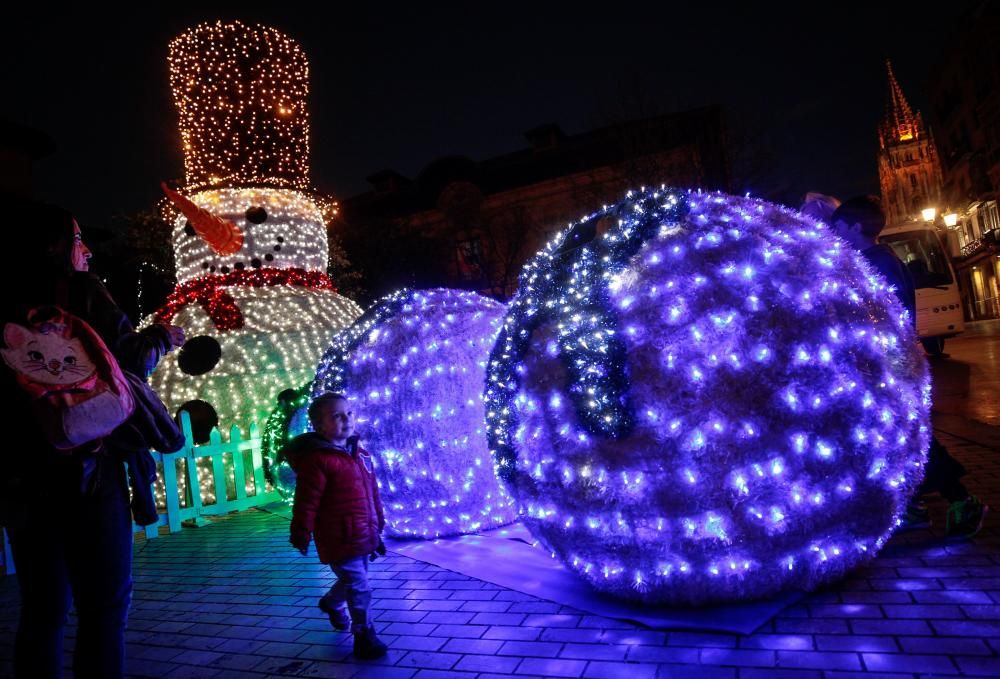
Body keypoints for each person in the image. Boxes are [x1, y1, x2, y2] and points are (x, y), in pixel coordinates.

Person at [0, 201, 184, 678]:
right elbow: (130, 358)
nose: (86, 252)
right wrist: (164, 335)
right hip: (90, 471)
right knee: (102, 610)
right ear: (56, 246)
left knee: (42, 610)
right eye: (79, 241)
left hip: (22, 479)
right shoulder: (80, 293)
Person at [830, 196, 988, 539]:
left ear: (855, 227)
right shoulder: (877, 259)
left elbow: (884, 317)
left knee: (906, 436)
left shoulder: (876, 264)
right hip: (887, 363)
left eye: (839, 226)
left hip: (887, 365)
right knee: (896, 437)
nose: (835, 232)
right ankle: (913, 505)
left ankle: (961, 499)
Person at [288, 392, 388, 659]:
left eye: (349, 413)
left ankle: (331, 603)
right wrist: (301, 531)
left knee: (352, 581)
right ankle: (364, 634)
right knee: (360, 585)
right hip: (338, 536)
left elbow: (372, 492)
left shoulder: (361, 453)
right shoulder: (317, 461)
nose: (346, 420)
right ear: (320, 426)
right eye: (337, 416)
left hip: (363, 530)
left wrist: (378, 521)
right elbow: (306, 501)